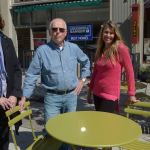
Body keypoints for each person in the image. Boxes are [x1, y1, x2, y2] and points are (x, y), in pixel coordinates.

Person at [19, 18, 90, 122]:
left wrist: (82, 80)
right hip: (52, 98)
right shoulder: (42, 51)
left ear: (65, 33)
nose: (58, 32)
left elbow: (86, 62)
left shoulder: (73, 48)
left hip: (71, 96)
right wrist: (24, 97)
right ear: (50, 32)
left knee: (70, 127)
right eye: (54, 29)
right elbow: (32, 75)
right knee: (51, 129)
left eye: (61, 29)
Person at [89, 20, 139, 113]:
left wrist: (131, 94)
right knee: (100, 123)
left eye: (111, 33)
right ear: (102, 33)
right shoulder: (100, 49)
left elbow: (130, 72)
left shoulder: (120, 48)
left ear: (115, 34)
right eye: (106, 32)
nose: (108, 35)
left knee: (108, 125)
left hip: (110, 97)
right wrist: (90, 91)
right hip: (96, 94)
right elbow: (95, 72)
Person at [0, 14, 22, 150]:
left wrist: (14, 94)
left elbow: (16, 70)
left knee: (4, 137)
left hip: (6, 102)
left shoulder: (7, 41)